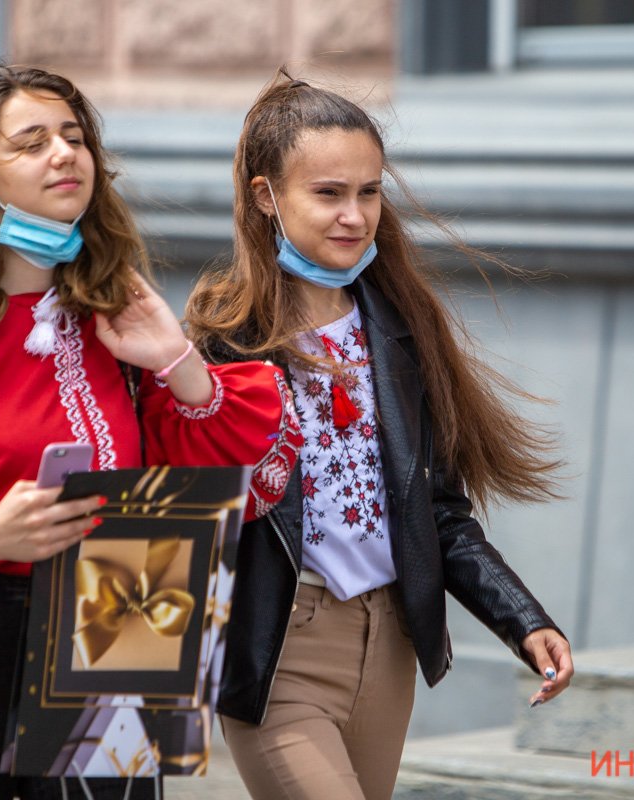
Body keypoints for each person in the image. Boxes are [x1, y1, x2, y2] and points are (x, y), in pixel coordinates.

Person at [0, 65, 297, 800]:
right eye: (31, 142)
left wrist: (178, 360)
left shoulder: (118, 316)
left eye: (76, 136)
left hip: (116, 611)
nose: (64, 154)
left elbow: (259, 482)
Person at [185, 74, 575, 800]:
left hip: (390, 646)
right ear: (267, 196)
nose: (355, 215)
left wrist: (523, 621)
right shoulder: (220, 344)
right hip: (280, 651)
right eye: (329, 193)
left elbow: (440, 512)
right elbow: (189, 503)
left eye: (369, 192)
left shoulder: (399, 328)